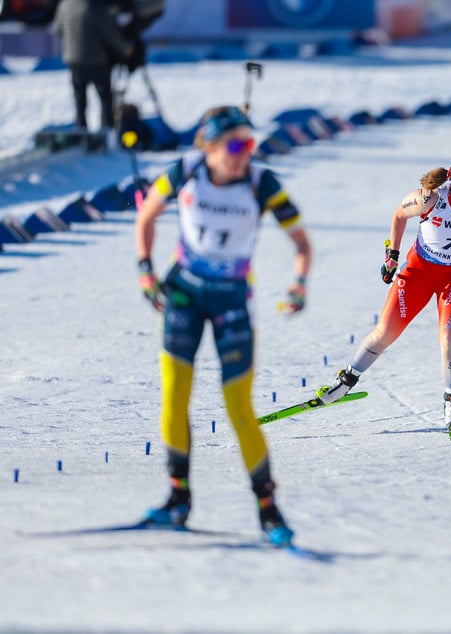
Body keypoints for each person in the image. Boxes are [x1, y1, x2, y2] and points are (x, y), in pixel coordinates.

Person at [134, 105, 313, 546]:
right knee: (175, 397)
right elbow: (146, 215)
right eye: (235, 146)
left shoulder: (261, 182)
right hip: (183, 294)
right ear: (209, 147)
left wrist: (298, 285)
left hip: (232, 299)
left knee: (239, 407)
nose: (243, 154)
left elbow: (302, 244)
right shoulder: (184, 171)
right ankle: (178, 500)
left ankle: (269, 511)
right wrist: (145, 271)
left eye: (249, 145)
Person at [313, 160, 451, 440]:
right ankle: (345, 381)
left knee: (450, 337)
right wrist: (392, 256)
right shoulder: (430, 199)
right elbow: (399, 215)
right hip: (418, 272)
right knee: (385, 333)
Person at [53, 0, 133, 131]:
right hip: (96, 60)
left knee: (80, 101)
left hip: (73, 59)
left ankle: (81, 132)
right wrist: (125, 48)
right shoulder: (95, 7)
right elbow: (110, 34)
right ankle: (107, 132)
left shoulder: (65, 4)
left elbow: (58, 28)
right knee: (106, 99)